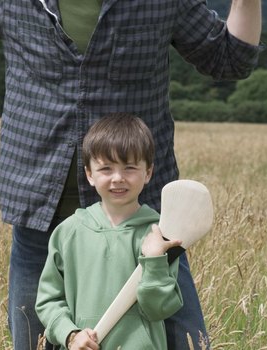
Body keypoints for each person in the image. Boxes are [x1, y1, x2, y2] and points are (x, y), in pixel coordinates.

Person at [0, 0, 262, 348]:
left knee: (188, 342)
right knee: (35, 340)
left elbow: (231, 58)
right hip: (37, 204)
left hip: (143, 221)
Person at [36, 113, 184, 350]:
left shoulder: (159, 234)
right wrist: (70, 334)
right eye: (106, 168)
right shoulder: (68, 232)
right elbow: (48, 300)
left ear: (148, 173)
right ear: (89, 174)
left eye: (130, 168)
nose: (118, 178)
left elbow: (159, 309)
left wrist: (155, 261)